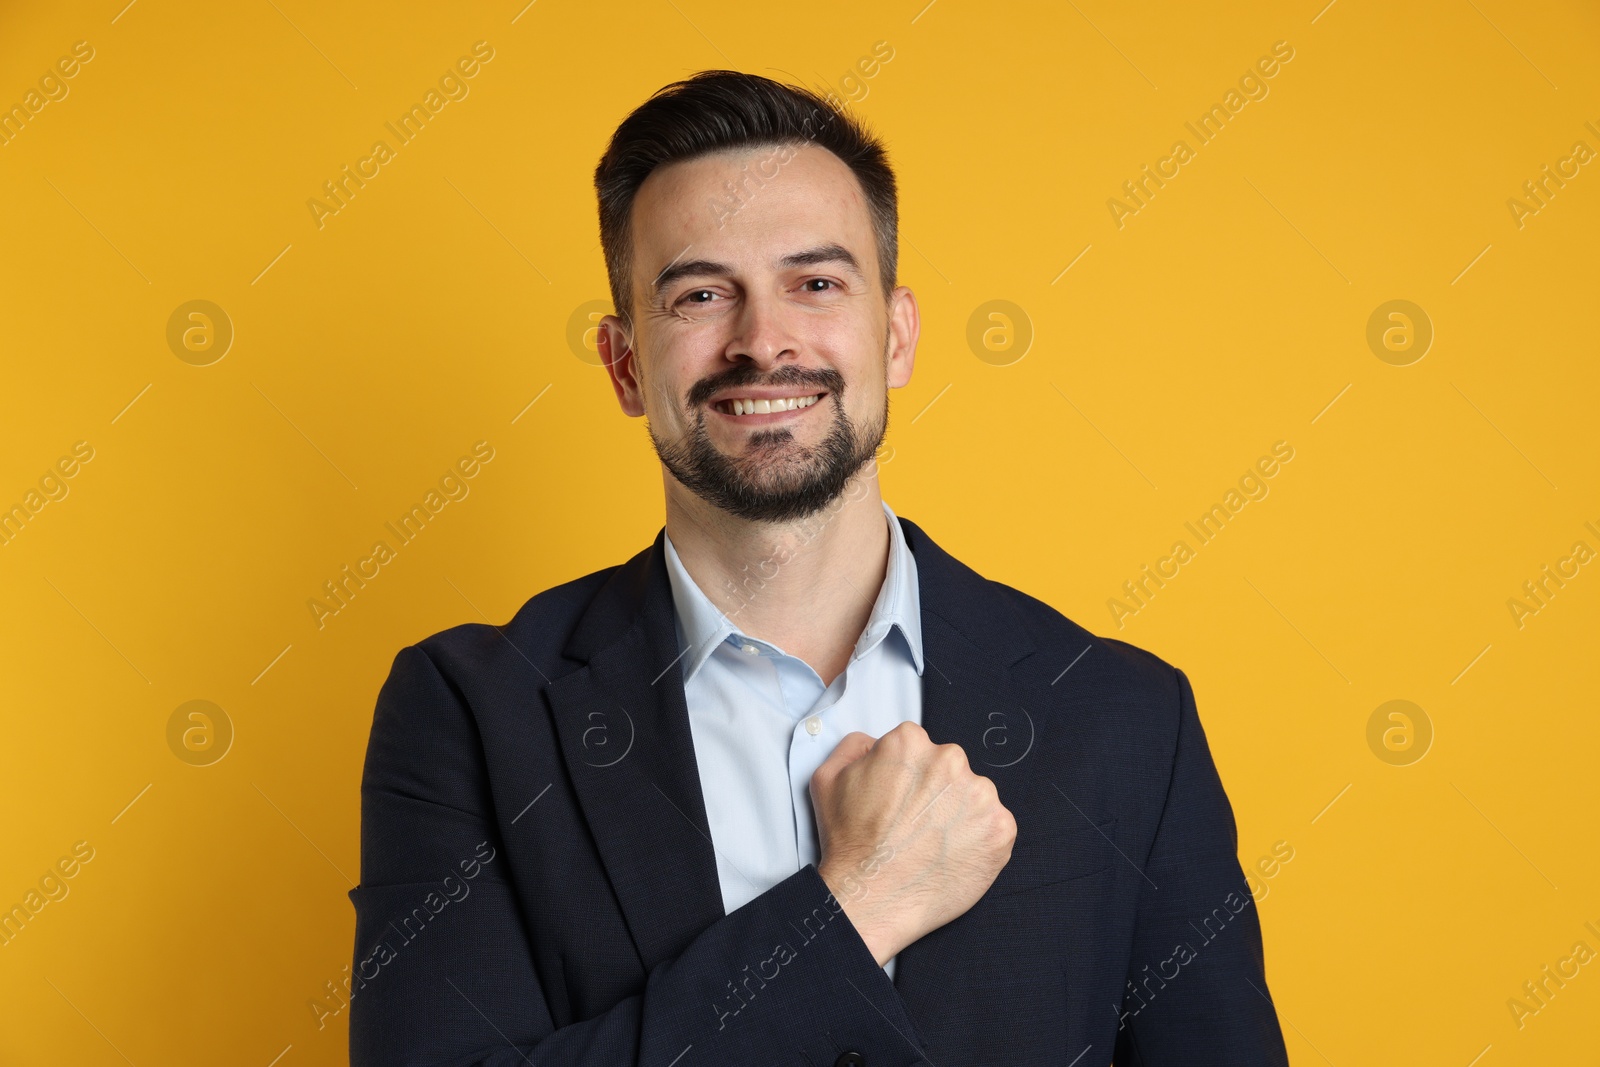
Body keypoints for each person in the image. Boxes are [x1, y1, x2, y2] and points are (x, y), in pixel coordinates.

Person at [349, 69, 1289, 1066]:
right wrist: (855, 903)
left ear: (894, 336)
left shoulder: (1123, 716)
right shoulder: (473, 713)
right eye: (701, 294)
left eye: (816, 282)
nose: (763, 341)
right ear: (625, 364)